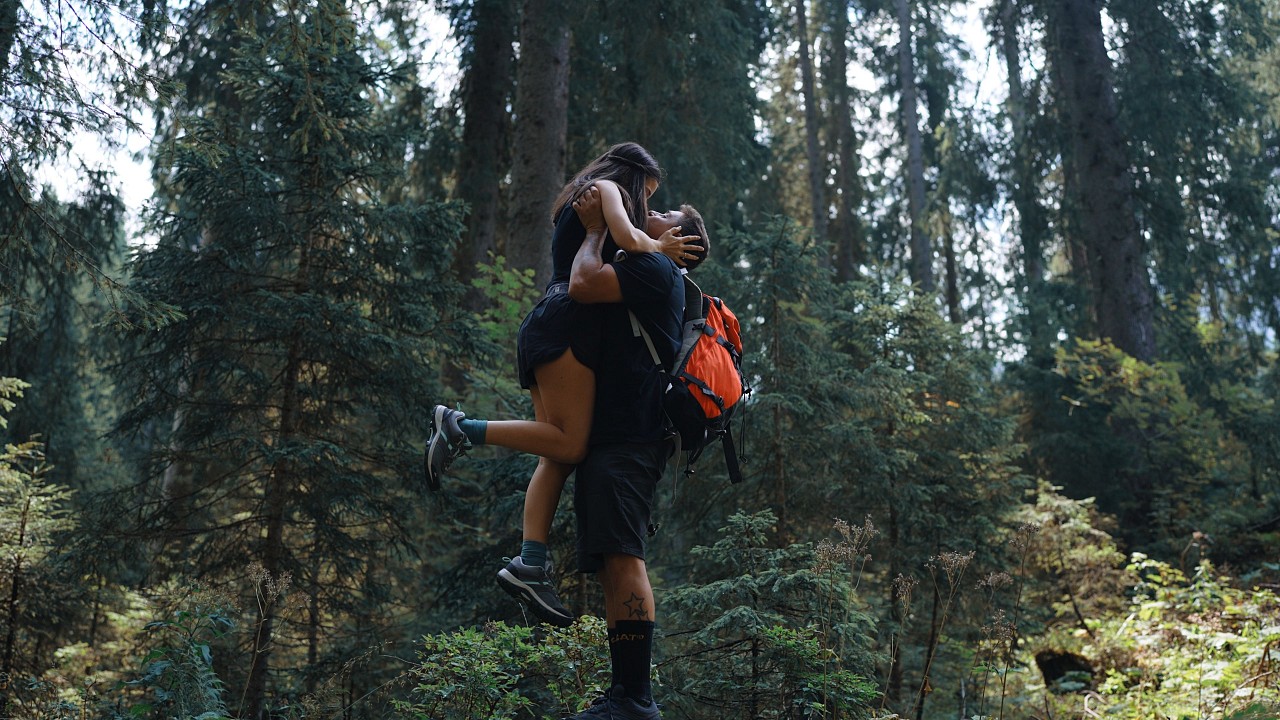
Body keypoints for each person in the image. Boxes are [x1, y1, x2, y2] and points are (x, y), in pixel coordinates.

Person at [424, 143, 702, 627]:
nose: (650, 207)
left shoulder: (602, 206)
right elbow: (627, 236)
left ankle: (530, 562)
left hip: (551, 323)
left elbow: (622, 240)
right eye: (651, 196)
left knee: (555, 448)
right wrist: (658, 244)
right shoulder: (609, 190)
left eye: (661, 209)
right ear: (633, 177)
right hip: (565, 323)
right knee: (570, 445)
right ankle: (461, 428)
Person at [562, 185, 709, 719]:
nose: (652, 213)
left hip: (629, 437)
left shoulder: (658, 270)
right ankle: (625, 692)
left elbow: (582, 284)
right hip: (622, 437)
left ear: (682, 240)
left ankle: (637, 699)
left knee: (624, 558)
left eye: (665, 213)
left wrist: (598, 230)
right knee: (613, 561)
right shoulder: (650, 267)